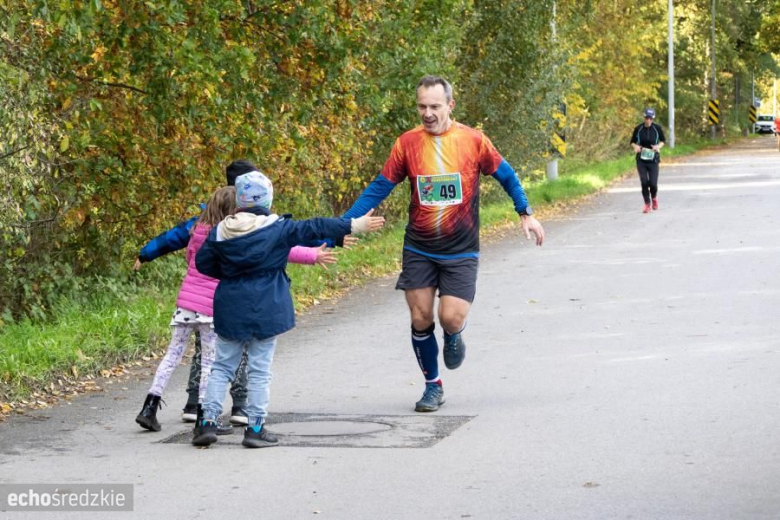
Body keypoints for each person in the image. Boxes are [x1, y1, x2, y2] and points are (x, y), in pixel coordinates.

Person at [339, 75, 545, 413]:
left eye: (435, 106)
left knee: (449, 317)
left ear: (450, 105)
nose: (428, 113)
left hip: (461, 249)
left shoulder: (473, 140)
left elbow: (506, 174)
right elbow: (380, 186)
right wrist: (344, 224)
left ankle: (454, 334)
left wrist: (526, 212)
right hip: (419, 246)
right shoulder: (407, 143)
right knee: (420, 316)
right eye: (422, 106)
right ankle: (432, 386)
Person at [134, 160, 351, 426]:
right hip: (219, 303)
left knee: (197, 357)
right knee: (230, 357)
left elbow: (175, 243)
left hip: (187, 304)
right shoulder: (250, 225)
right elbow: (286, 242)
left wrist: (145, 254)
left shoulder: (198, 226)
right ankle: (233, 408)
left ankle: (179, 406)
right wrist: (328, 243)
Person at [192, 171, 386, 448]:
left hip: (230, 303)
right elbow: (316, 226)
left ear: (240, 200)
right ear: (268, 199)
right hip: (267, 305)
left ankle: (207, 423)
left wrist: (230, 272)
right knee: (259, 369)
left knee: (222, 366)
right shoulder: (278, 228)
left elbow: (204, 264)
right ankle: (255, 428)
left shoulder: (221, 231)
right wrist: (352, 226)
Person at [135, 186, 236, 433]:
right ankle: (204, 415)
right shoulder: (226, 235)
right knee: (209, 361)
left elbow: (188, 258)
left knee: (172, 355)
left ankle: (149, 406)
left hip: (186, 303)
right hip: (210, 306)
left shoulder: (195, 229)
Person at [630, 108, 666, 213]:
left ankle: (654, 197)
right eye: (647, 118)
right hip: (641, 159)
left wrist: (658, 146)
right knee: (644, 182)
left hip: (653, 159)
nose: (648, 120)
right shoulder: (638, 128)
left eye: (650, 118)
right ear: (644, 117)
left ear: (653, 118)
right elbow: (632, 141)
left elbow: (663, 140)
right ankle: (647, 204)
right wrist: (635, 147)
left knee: (653, 183)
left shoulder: (657, 128)